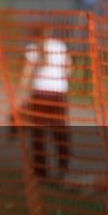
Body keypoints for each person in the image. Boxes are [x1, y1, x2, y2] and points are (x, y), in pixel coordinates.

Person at [14, 27, 73, 180]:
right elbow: (69, 68)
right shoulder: (60, 46)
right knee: (60, 132)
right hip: (58, 94)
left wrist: (19, 96)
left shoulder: (32, 48)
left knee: (38, 133)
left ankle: (41, 170)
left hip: (39, 94)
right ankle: (63, 168)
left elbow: (26, 73)